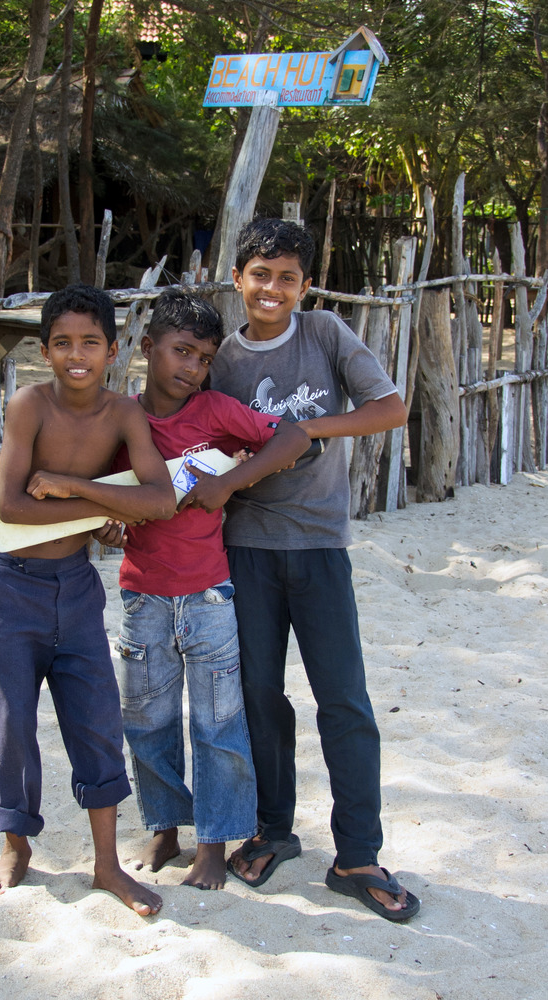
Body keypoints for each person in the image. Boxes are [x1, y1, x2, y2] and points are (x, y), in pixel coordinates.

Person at [209, 218, 420, 921]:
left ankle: (357, 852)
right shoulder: (222, 360)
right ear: (238, 278)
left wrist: (309, 430)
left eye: (287, 278)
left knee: (346, 701)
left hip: (321, 547)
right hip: (246, 548)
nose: (272, 289)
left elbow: (390, 408)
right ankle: (273, 831)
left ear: (305, 286)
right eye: (260, 275)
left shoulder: (325, 334)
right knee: (262, 696)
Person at [0, 284, 176, 916]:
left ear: (113, 351)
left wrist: (69, 490)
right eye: (62, 343)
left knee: (96, 724)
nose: (77, 354)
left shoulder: (123, 414)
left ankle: (107, 865)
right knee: (12, 726)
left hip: (78, 592)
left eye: (90, 341)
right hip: (12, 591)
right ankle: (15, 847)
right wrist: (99, 511)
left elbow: (161, 499)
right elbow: (11, 505)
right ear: (44, 351)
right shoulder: (28, 407)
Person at [111, 287, 311, 890]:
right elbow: (102, 489)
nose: (191, 369)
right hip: (141, 594)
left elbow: (293, 438)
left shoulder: (218, 411)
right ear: (147, 348)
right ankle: (166, 826)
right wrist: (107, 519)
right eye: (180, 352)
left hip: (209, 595)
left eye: (202, 357)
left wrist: (231, 483)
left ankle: (212, 844)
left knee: (219, 725)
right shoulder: (122, 418)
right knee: (148, 721)